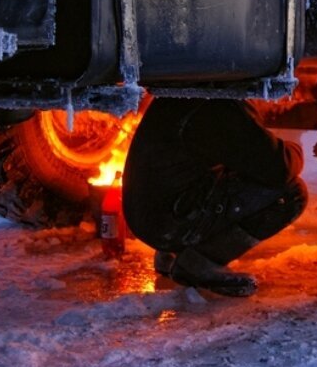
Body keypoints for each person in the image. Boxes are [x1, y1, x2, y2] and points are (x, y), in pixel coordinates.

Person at [123, 98, 307, 297]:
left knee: (231, 167)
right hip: (169, 220)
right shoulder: (221, 107)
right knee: (291, 193)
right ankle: (200, 262)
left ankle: (171, 252)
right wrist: (295, 148)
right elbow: (279, 167)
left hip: (149, 213)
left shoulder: (188, 92)